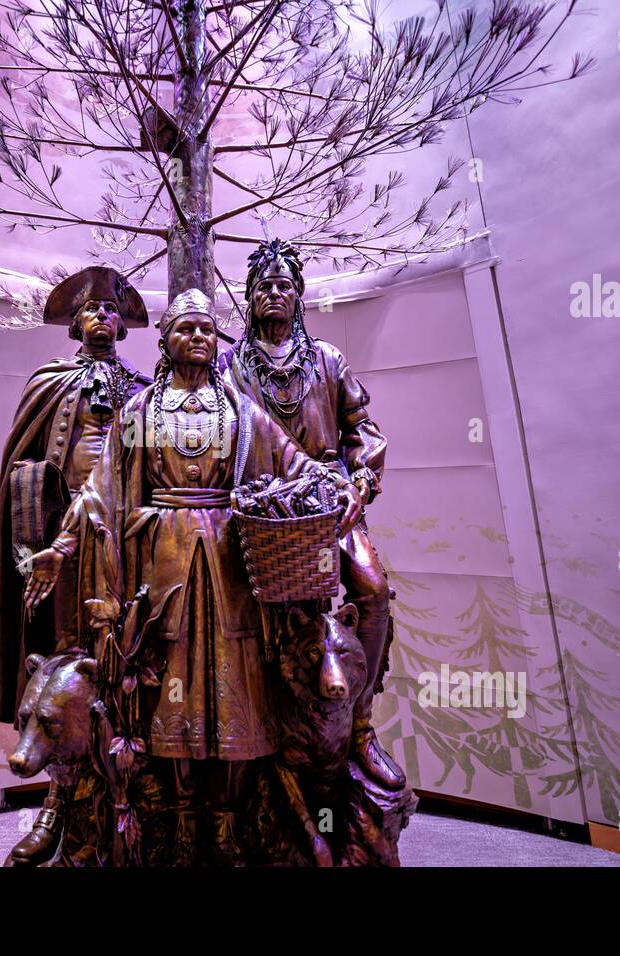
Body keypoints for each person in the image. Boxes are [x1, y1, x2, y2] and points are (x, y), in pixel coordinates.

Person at [24, 288, 360, 864]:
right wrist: (61, 546)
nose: (199, 337)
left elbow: (294, 461)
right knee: (170, 692)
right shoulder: (142, 412)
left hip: (231, 570)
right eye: (186, 328)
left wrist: (342, 484)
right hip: (164, 570)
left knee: (235, 690)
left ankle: (225, 822)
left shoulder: (241, 412)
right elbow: (100, 491)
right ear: (165, 340)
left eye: (207, 328)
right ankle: (181, 823)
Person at [219, 238, 404, 792]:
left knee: (372, 592)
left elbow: (362, 428)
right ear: (250, 298)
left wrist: (360, 483)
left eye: (284, 286)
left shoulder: (326, 359)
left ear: (298, 295)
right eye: (263, 288)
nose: (274, 295)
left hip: (331, 503)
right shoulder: (231, 367)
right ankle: (261, 738)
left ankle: (360, 725)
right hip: (267, 511)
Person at [0, 266, 150, 864]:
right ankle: (60, 803)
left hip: (124, 541)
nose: (102, 316)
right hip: (62, 542)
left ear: (123, 326)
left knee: (126, 660)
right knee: (61, 660)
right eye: (91, 310)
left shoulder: (145, 389)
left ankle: (131, 796)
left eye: (112, 310)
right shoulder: (48, 382)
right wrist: (38, 535)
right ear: (75, 324)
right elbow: (22, 463)